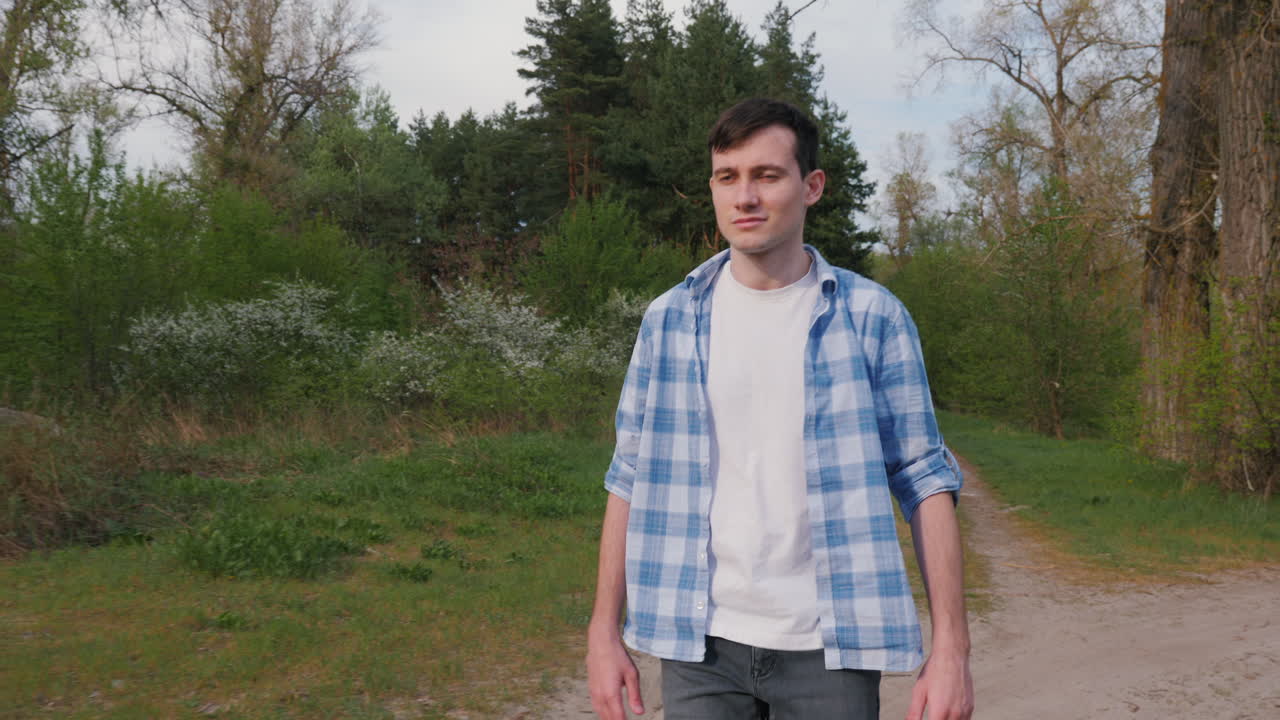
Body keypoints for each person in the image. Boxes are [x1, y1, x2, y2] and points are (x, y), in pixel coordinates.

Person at [586, 97, 974, 720]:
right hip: (699, 646)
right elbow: (628, 475)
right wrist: (604, 633)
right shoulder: (670, 320)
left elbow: (926, 482)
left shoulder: (874, 318)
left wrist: (951, 649)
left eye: (766, 175)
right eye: (727, 177)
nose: (744, 197)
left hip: (830, 651)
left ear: (810, 186)